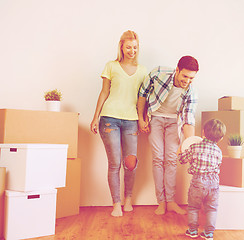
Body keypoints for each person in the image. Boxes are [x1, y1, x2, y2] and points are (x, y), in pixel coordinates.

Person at [90, 30, 147, 217]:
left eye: (135, 47)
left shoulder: (143, 71)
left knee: (131, 163)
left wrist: (142, 119)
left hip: (131, 121)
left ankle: (128, 199)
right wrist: (95, 116)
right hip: (109, 119)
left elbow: (142, 98)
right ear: (121, 46)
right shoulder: (111, 66)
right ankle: (116, 203)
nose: (132, 50)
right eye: (129, 47)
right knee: (114, 164)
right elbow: (104, 92)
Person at [137, 56, 199, 215]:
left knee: (171, 160)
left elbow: (188, 119)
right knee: (158, 158)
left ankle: (171, 202)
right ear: (177, 70)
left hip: (174, 123)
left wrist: (188, 145)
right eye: (185, 76)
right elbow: (142, 94)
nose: (187, 81)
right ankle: (161, 202)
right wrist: (141, 119)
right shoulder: (158, 73)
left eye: (191, 78)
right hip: (155, 119)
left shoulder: (191, 91)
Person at [178, 119, 226, 240]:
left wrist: (180, 150)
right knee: (212, 209)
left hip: (198, 182)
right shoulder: (219, 152)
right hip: (214, 183)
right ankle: (209, 233)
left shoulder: (195, 147)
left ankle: (193, 231)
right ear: (221, 138)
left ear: (203, 132)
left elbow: (182, 159)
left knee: (193, 207)